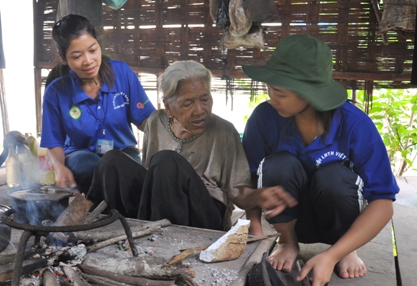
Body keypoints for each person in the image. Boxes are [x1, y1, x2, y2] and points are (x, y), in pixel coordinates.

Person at [241, 34, 400, 285]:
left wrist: (332, 255)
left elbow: (383, 202)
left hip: (339, 223)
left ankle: (345, 248)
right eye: (270, 90)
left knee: (334, 177)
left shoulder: (355, 124)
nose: (271, 98)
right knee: (279, 164)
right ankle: (288, 243)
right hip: (287, 222)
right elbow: (246, 184)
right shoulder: (264, 118)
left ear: (309, 94)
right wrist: (255, 224)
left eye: (279, 92)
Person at [86, 60, 297, 231]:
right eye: (188, 103)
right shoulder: (155, 122)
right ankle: (102, 230)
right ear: (168, 106)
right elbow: (148, 177)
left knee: (166, 162)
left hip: (204, 216)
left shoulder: (224, 132)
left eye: (205, 99)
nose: (199, 110)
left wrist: (259, 196)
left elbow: (238, 192)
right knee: (112, 162)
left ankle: (160, 241)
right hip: (156, 208)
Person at [40, 14, 155, 194]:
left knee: (117, 166)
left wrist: (171, 128)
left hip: (124, 155)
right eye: (77, 56)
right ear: (64, 58)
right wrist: (59, 168)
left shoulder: (122, 73)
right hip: (81, 158)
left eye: (93, 50)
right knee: (88, 165)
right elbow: (54, 142)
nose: (88, 61)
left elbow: (146, 120)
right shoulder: (56, 92)